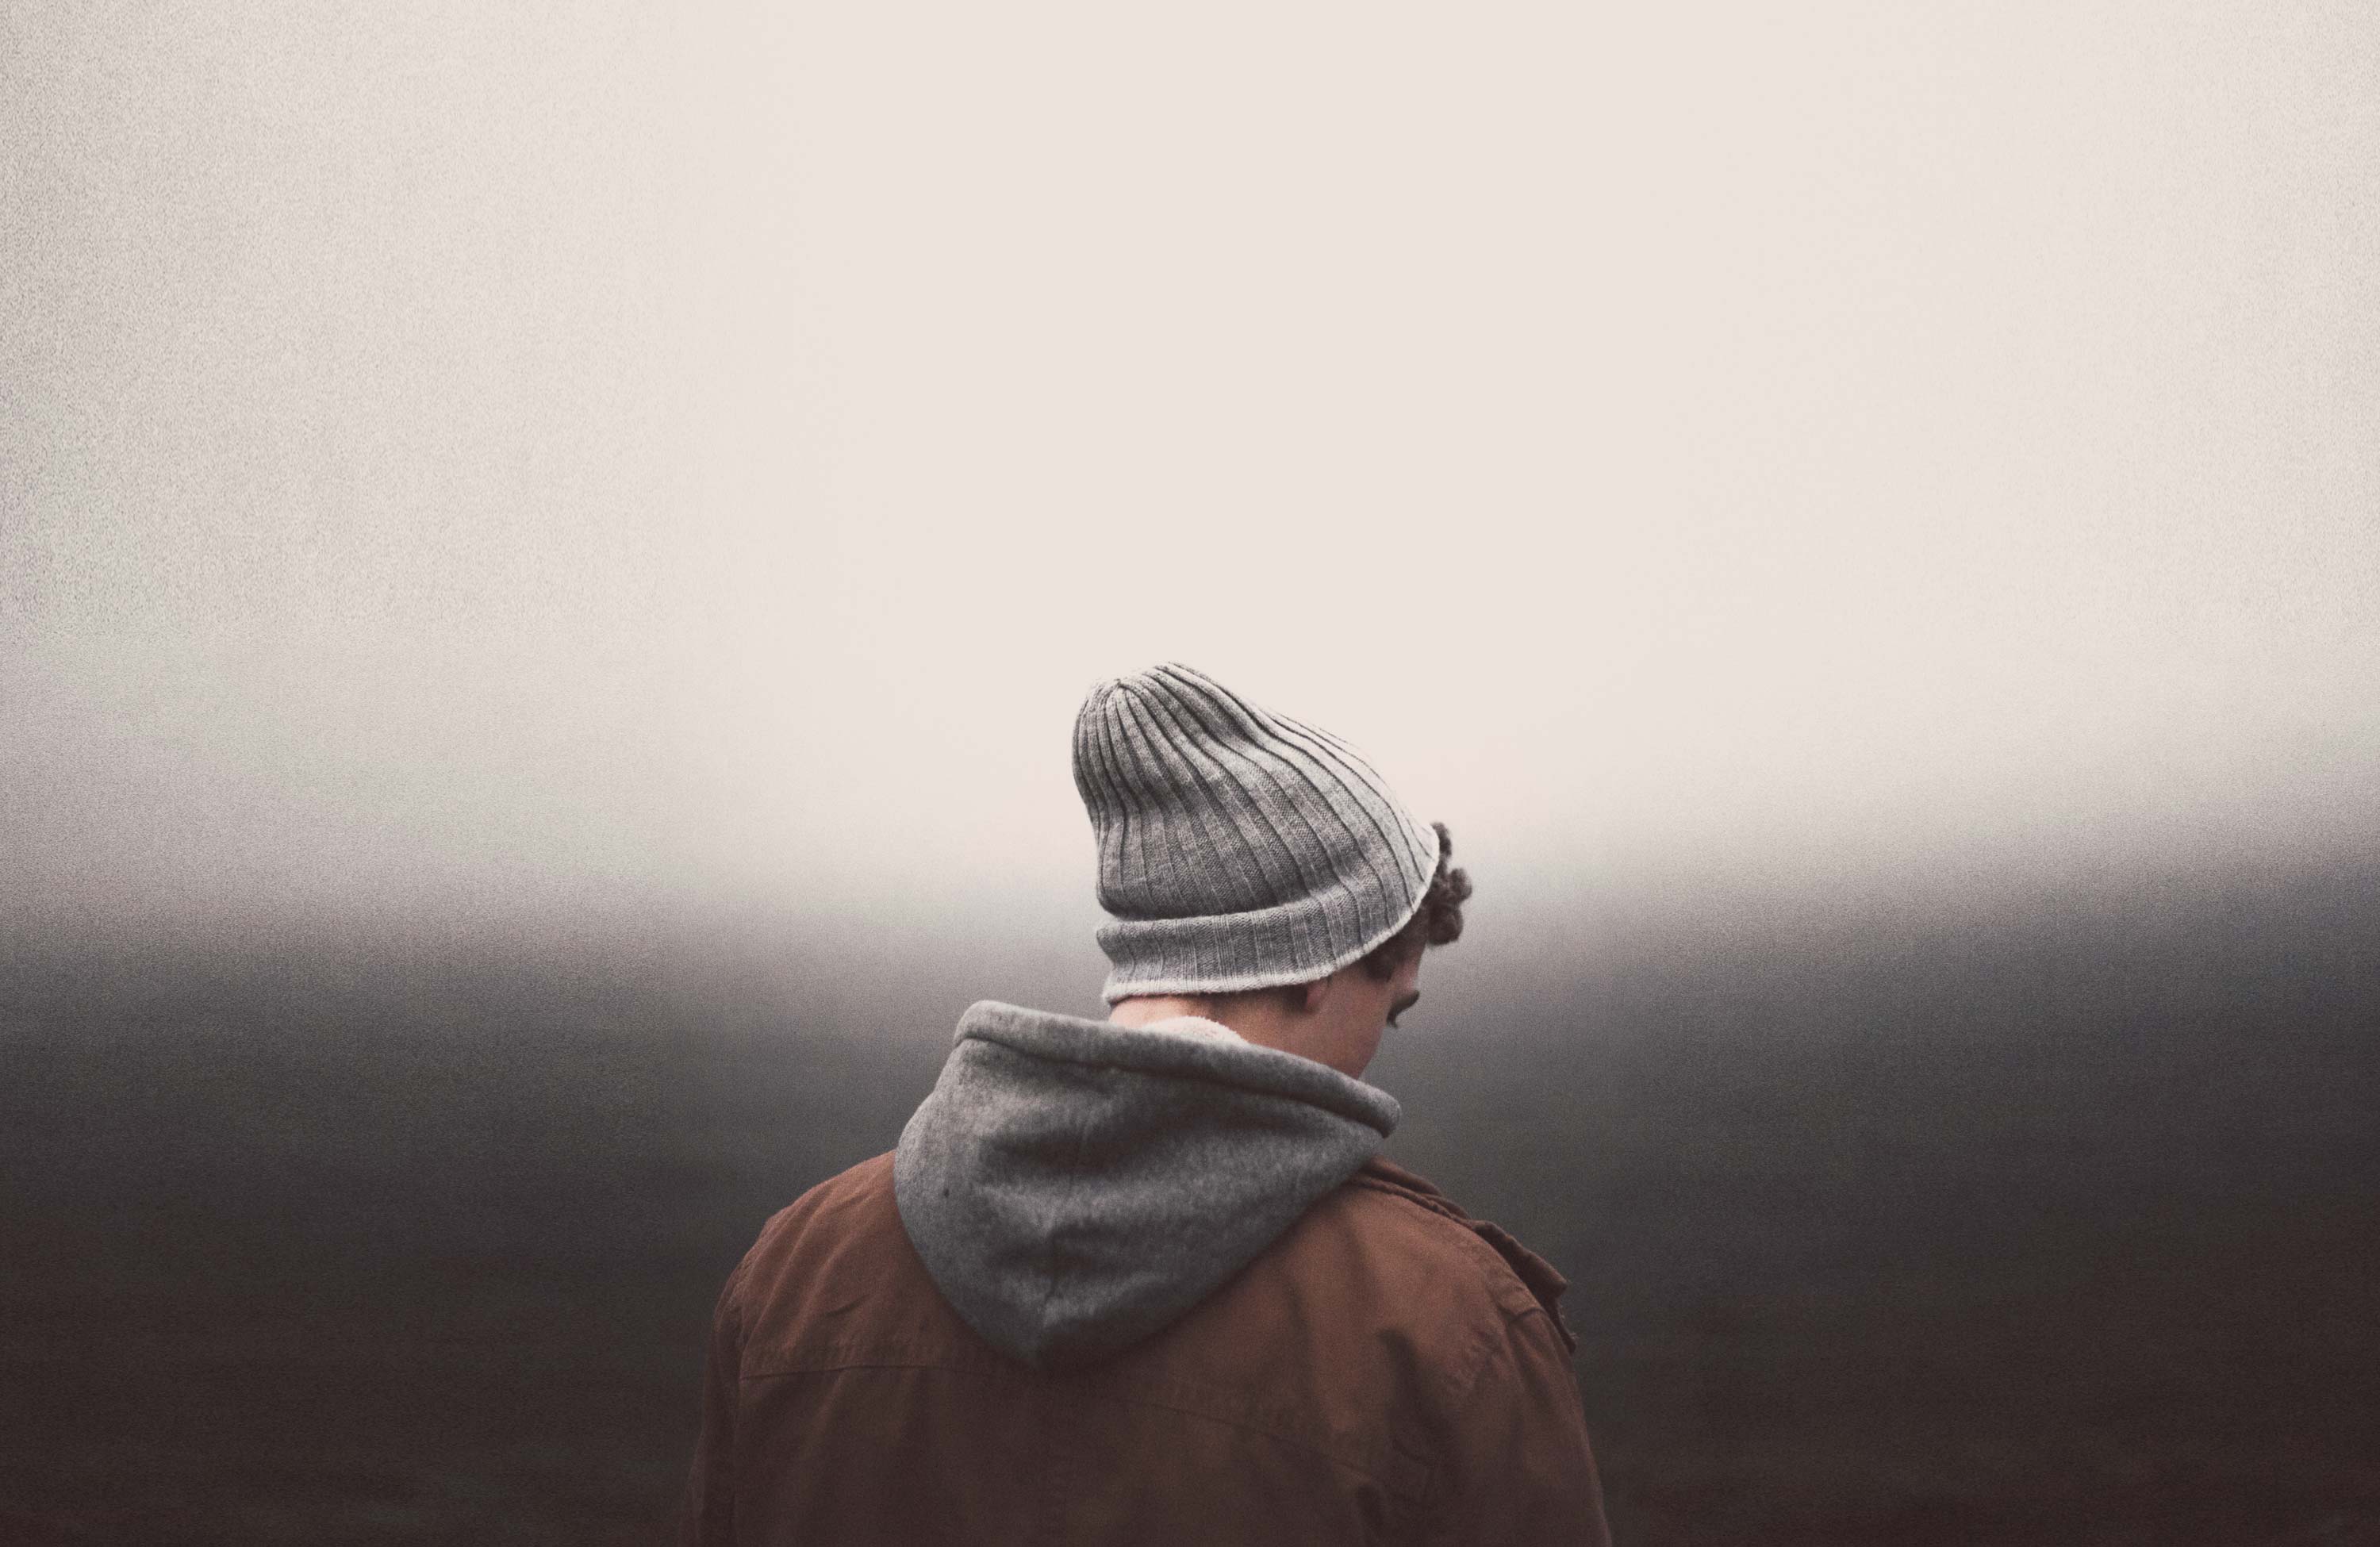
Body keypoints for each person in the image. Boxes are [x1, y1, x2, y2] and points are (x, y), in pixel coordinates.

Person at [677, 662, 1611, 1545]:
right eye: (1391, 1013)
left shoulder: (795, 1272)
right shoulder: (1450, 1325)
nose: (1374, 1061)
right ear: (1320, 964)